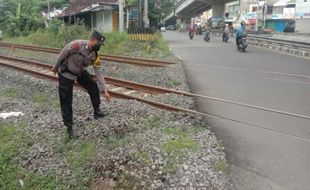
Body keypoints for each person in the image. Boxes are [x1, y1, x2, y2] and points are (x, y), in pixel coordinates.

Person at [52, 30, 110, 139]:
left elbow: (98, 72)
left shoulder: (95, 54)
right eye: (98, 44)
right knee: (66, 99)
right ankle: (69, 127)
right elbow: (64, 52)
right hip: (66, 72)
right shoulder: (77, 45)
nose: (99, 46)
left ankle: (97, 111)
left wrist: (104, 90)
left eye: (101, 45)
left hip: (79, 72)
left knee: (93, 86)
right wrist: (55, 67)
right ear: (92, 40)